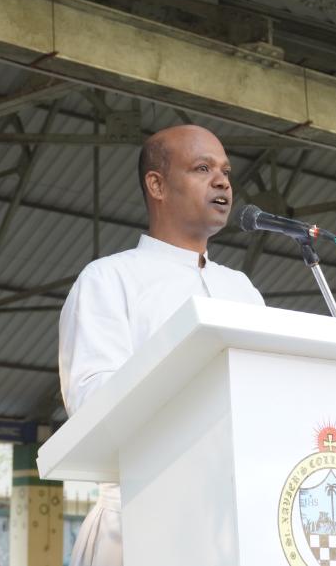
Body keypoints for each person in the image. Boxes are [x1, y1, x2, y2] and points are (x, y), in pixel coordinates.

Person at [59, 124, 265, 566]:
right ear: (156, 184)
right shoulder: (109, 279)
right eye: (202, 168)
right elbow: (90, 403)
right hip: (137, 520)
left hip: (233, 525)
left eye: (226, 171)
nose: (222, 182)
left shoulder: (243, 290)